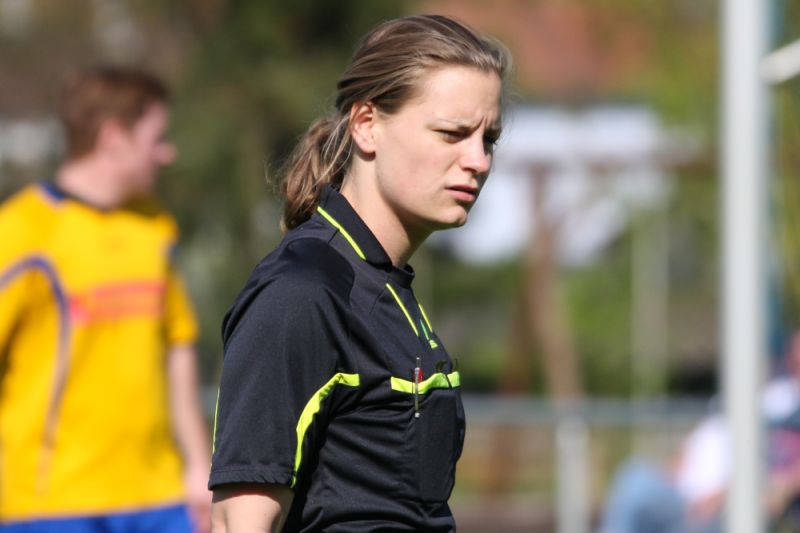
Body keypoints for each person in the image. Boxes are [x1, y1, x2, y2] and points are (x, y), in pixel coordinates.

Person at [208, 14, 508, 532]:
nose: (478, 160)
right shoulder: (302, 291)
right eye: (452, 134)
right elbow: (239, 520)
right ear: (367, 124)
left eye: (489, 139)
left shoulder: (386, 288)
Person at [0, 67, 210, 532]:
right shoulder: (20, 232)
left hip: (160, 498)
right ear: (114, 138)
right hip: (51, 505)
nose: (167, 153)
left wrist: (199, 465)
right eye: (157, 138)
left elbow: (178, 345)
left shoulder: (155, 226)